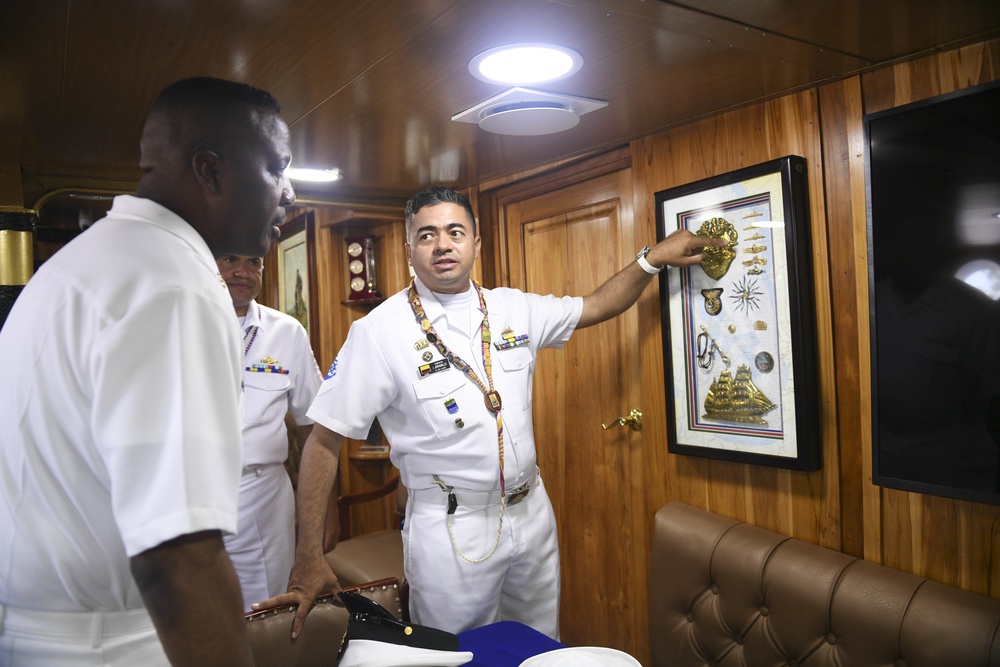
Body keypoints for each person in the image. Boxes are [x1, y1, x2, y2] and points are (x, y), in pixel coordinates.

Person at [258, 185, 723, 639]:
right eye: (427, 235)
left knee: (537, 645)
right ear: (408, 249)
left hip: (531, 512)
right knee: (456, 654)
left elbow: (599, 304)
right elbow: (323, 441)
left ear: (475, 243)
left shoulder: (513, 309)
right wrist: (307, 557)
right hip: (450, 528)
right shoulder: (378, 332)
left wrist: (651, 260)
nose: (443, 244)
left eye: (455, 232)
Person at [0, 77, 295, 665]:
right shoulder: (174, 285)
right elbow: (177, 558)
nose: (288, 192)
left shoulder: (79, 264)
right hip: (109, 642)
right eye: (277, 167)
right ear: (210, 172)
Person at [216, 253, 323, 608]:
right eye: (230, 259)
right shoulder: (175, 326)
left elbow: (314, 428)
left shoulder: (287, 332)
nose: (242, 272)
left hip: (263, 494)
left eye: (254, 262)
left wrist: (324, 516)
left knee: (266, 606)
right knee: (193, 610)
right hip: (192, 491)